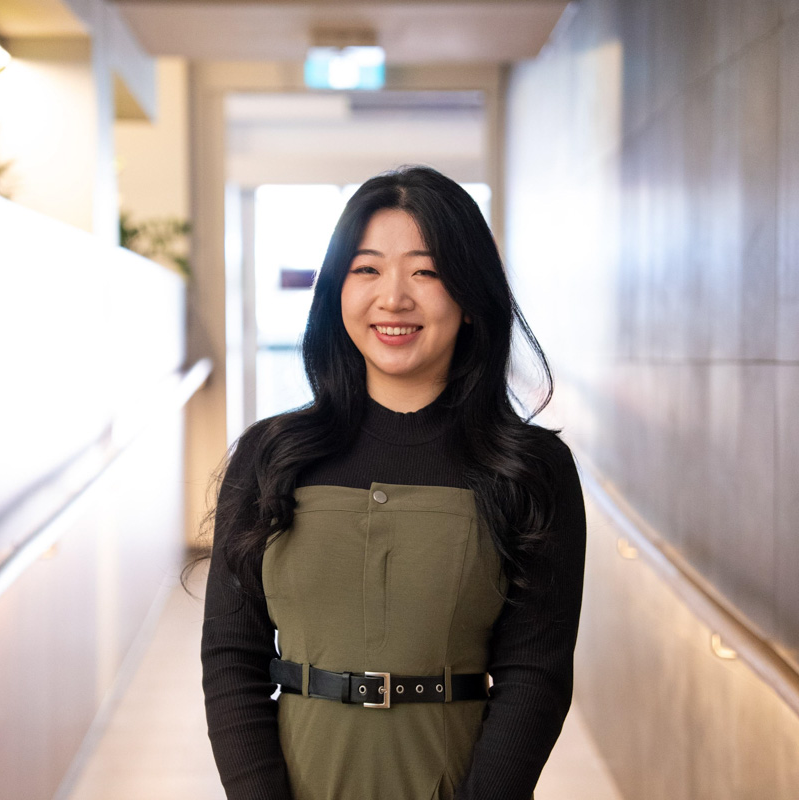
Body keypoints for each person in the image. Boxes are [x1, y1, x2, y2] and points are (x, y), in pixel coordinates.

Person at [200, 165, 586, 800]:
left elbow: (535, 678)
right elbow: (231, 663)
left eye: (426, 272)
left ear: (468, 295)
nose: (394, 298)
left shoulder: (531, 469)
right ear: (337, 293)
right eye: (367, 269)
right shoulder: (271, 458)